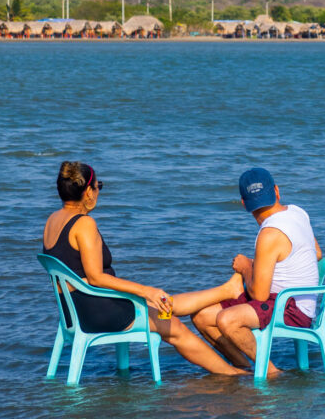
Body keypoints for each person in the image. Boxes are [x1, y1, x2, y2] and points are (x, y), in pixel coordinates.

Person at [42, 161, 247, 376]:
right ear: (88, 193)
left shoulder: (52, 220)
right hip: (95, 311)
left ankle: (228, 290)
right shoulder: (84, 224)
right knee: (174, 327)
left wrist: (147, 293)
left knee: (165, 303)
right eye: (98, 187)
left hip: (73, 308)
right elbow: (95, 278)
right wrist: (146, 290)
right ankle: (231, 374)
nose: (98, 192)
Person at [191, 167, 322, 376]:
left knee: (228, 320)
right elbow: (316, 253)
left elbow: (259, 295)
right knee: (201, 316)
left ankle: (270, 372)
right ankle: (243, 368)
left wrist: (246, 267)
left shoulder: (269, 233)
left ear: (244, 204)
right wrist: (267, 262)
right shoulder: (297, 212)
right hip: (288, 299)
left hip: (291, 307)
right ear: (277, 192)